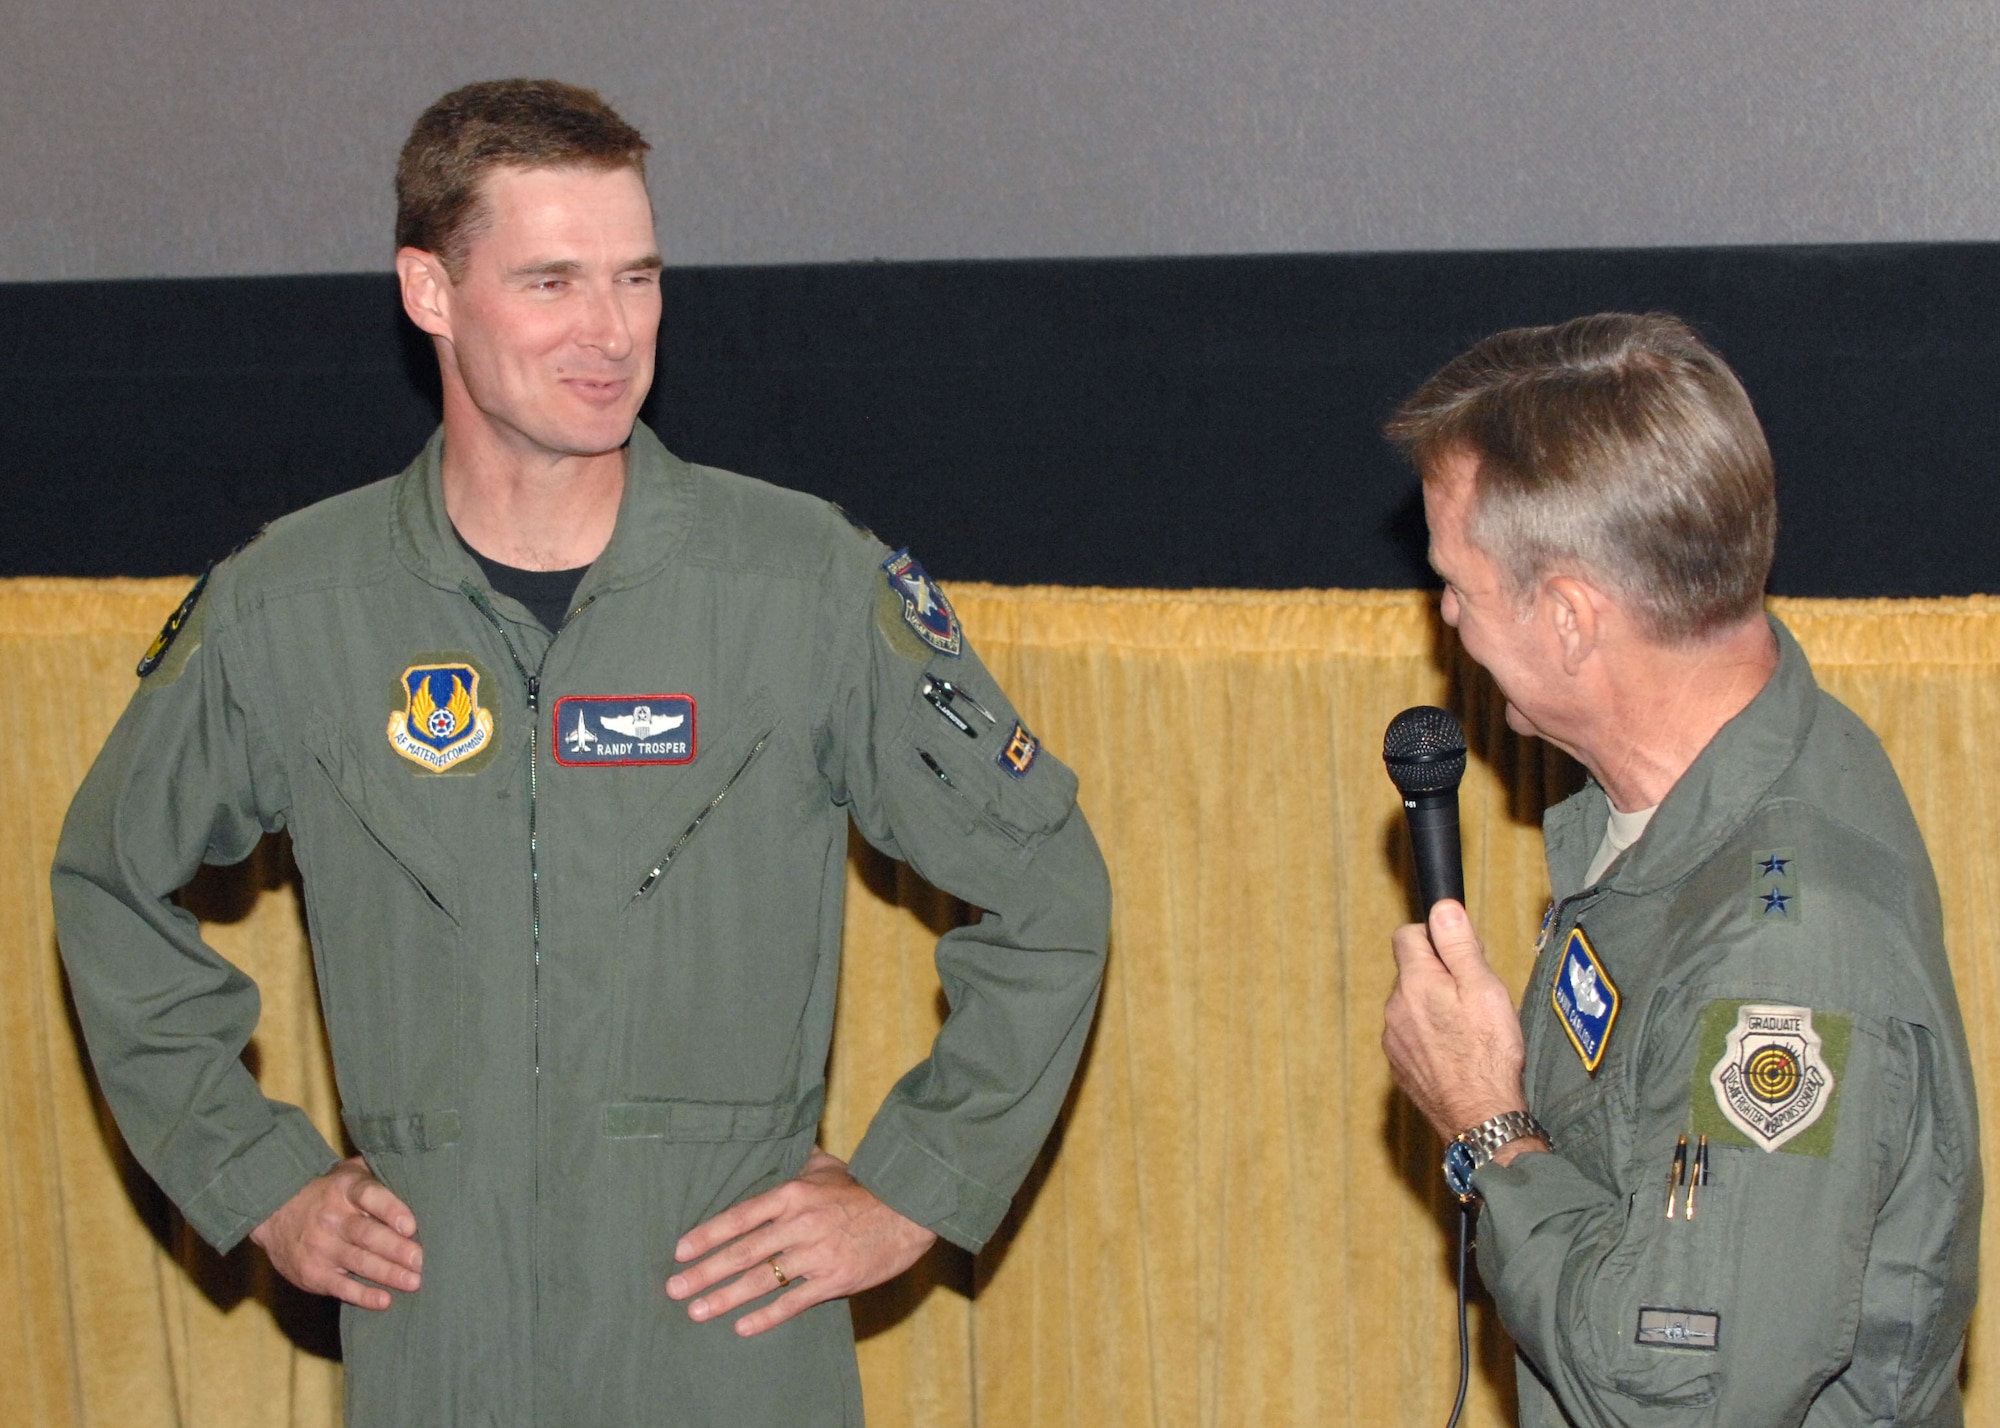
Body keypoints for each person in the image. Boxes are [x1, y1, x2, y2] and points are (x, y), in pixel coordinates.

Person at [52, 79, 1109, 1426]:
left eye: (638, 276)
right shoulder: (293, 608)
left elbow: (1048, 889)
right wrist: (253, 1178)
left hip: (726, 1344)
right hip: (440, 1352)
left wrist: (918, 1183)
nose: (611, 333)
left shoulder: (799, 589)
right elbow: (108, 883)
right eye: (551, 282)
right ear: (430, 292)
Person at [1379, 313, 1979, 1425]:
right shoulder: (1730, 760)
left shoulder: (1782, 953)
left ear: (1567, 618)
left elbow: (1680, 1397)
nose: (1446, 615)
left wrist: (1484, 1125)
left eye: (1454, 584)